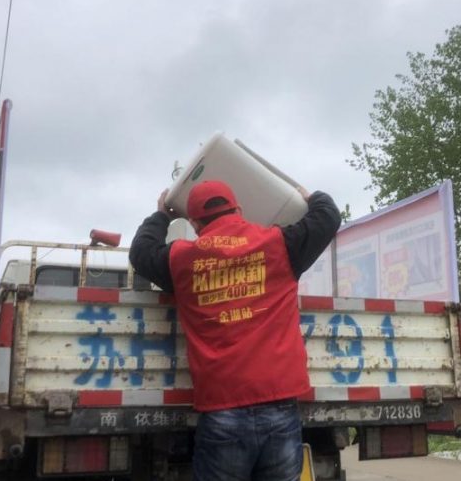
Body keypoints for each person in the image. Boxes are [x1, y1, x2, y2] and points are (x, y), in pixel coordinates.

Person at [130, 180, 340, 481]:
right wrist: (311, 197)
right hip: (280, 405)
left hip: (221, 411)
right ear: (238, 210)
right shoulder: (279, 244)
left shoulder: (181, 259)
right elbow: (328, 217)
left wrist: (161, 215)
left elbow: (141, 253)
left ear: (195, 224)